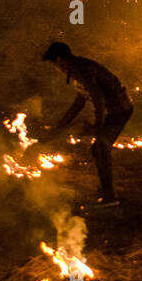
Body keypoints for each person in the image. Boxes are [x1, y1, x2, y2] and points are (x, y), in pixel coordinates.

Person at [40, 42, 134, 207]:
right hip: (117, 110)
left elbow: (97, 96)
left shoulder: (79, 69)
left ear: (60, 60)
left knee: (100, 147)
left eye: (54, 63)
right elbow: (79, 102)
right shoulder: (78, 68)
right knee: (97, 148)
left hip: (118, 110)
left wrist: (99, 123)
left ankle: (110, 198)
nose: (55, 68)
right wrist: (58, 128)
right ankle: (106, 192)